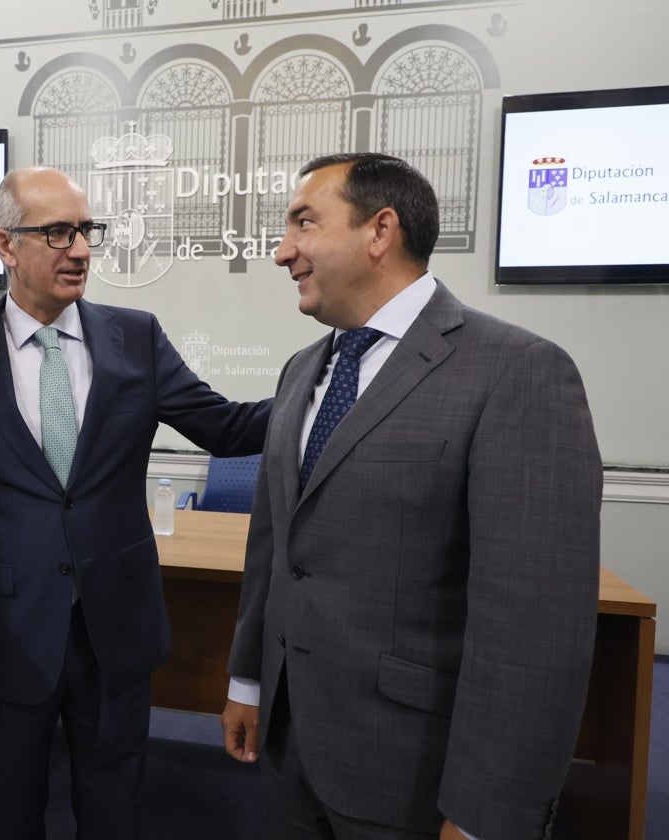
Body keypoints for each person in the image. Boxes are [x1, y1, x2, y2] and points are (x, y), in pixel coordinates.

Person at [221, 152, 602, 840]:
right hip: (288, 751)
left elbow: (531, 629)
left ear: (380, 231)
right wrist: (248, 682)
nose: (282, 252)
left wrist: (490, 814)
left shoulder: (519, 373)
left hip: (411, 775)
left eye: (303, 222)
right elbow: (275, 549)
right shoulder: (301, 370)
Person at [0, 166, 272, 839]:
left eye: (84, 231)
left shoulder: (135, 336)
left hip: (117, 632)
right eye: (56, 232)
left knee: (112, 815)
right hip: (8, 635)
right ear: (4, 245)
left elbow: (225, 427)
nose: (79, 249)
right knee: (13, 816)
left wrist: (323, 383)